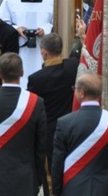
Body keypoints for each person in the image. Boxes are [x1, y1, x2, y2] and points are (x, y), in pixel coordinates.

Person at [0, 52, 48, 196]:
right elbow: (41, 146)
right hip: (25, 179)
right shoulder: (36, 103)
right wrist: (38, 178)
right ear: (22, 72)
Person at [51, 73, 108, 196]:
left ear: (82, 93)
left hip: (74, 187)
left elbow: (57, 163)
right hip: (105, 187)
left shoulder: (64, 123)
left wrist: (56, 191)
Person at [27, 33, 80, 194]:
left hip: (50, 133)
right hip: (73, 129)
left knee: (50, 175)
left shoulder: (36, 79)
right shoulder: (74, 67)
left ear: (44, 52)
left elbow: (33, 109)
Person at [0, 0, 55, 86]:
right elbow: (2, 22)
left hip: (41, 48)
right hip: (19, 47)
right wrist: (16, 29)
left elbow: (56, 22)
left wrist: (45, 29)